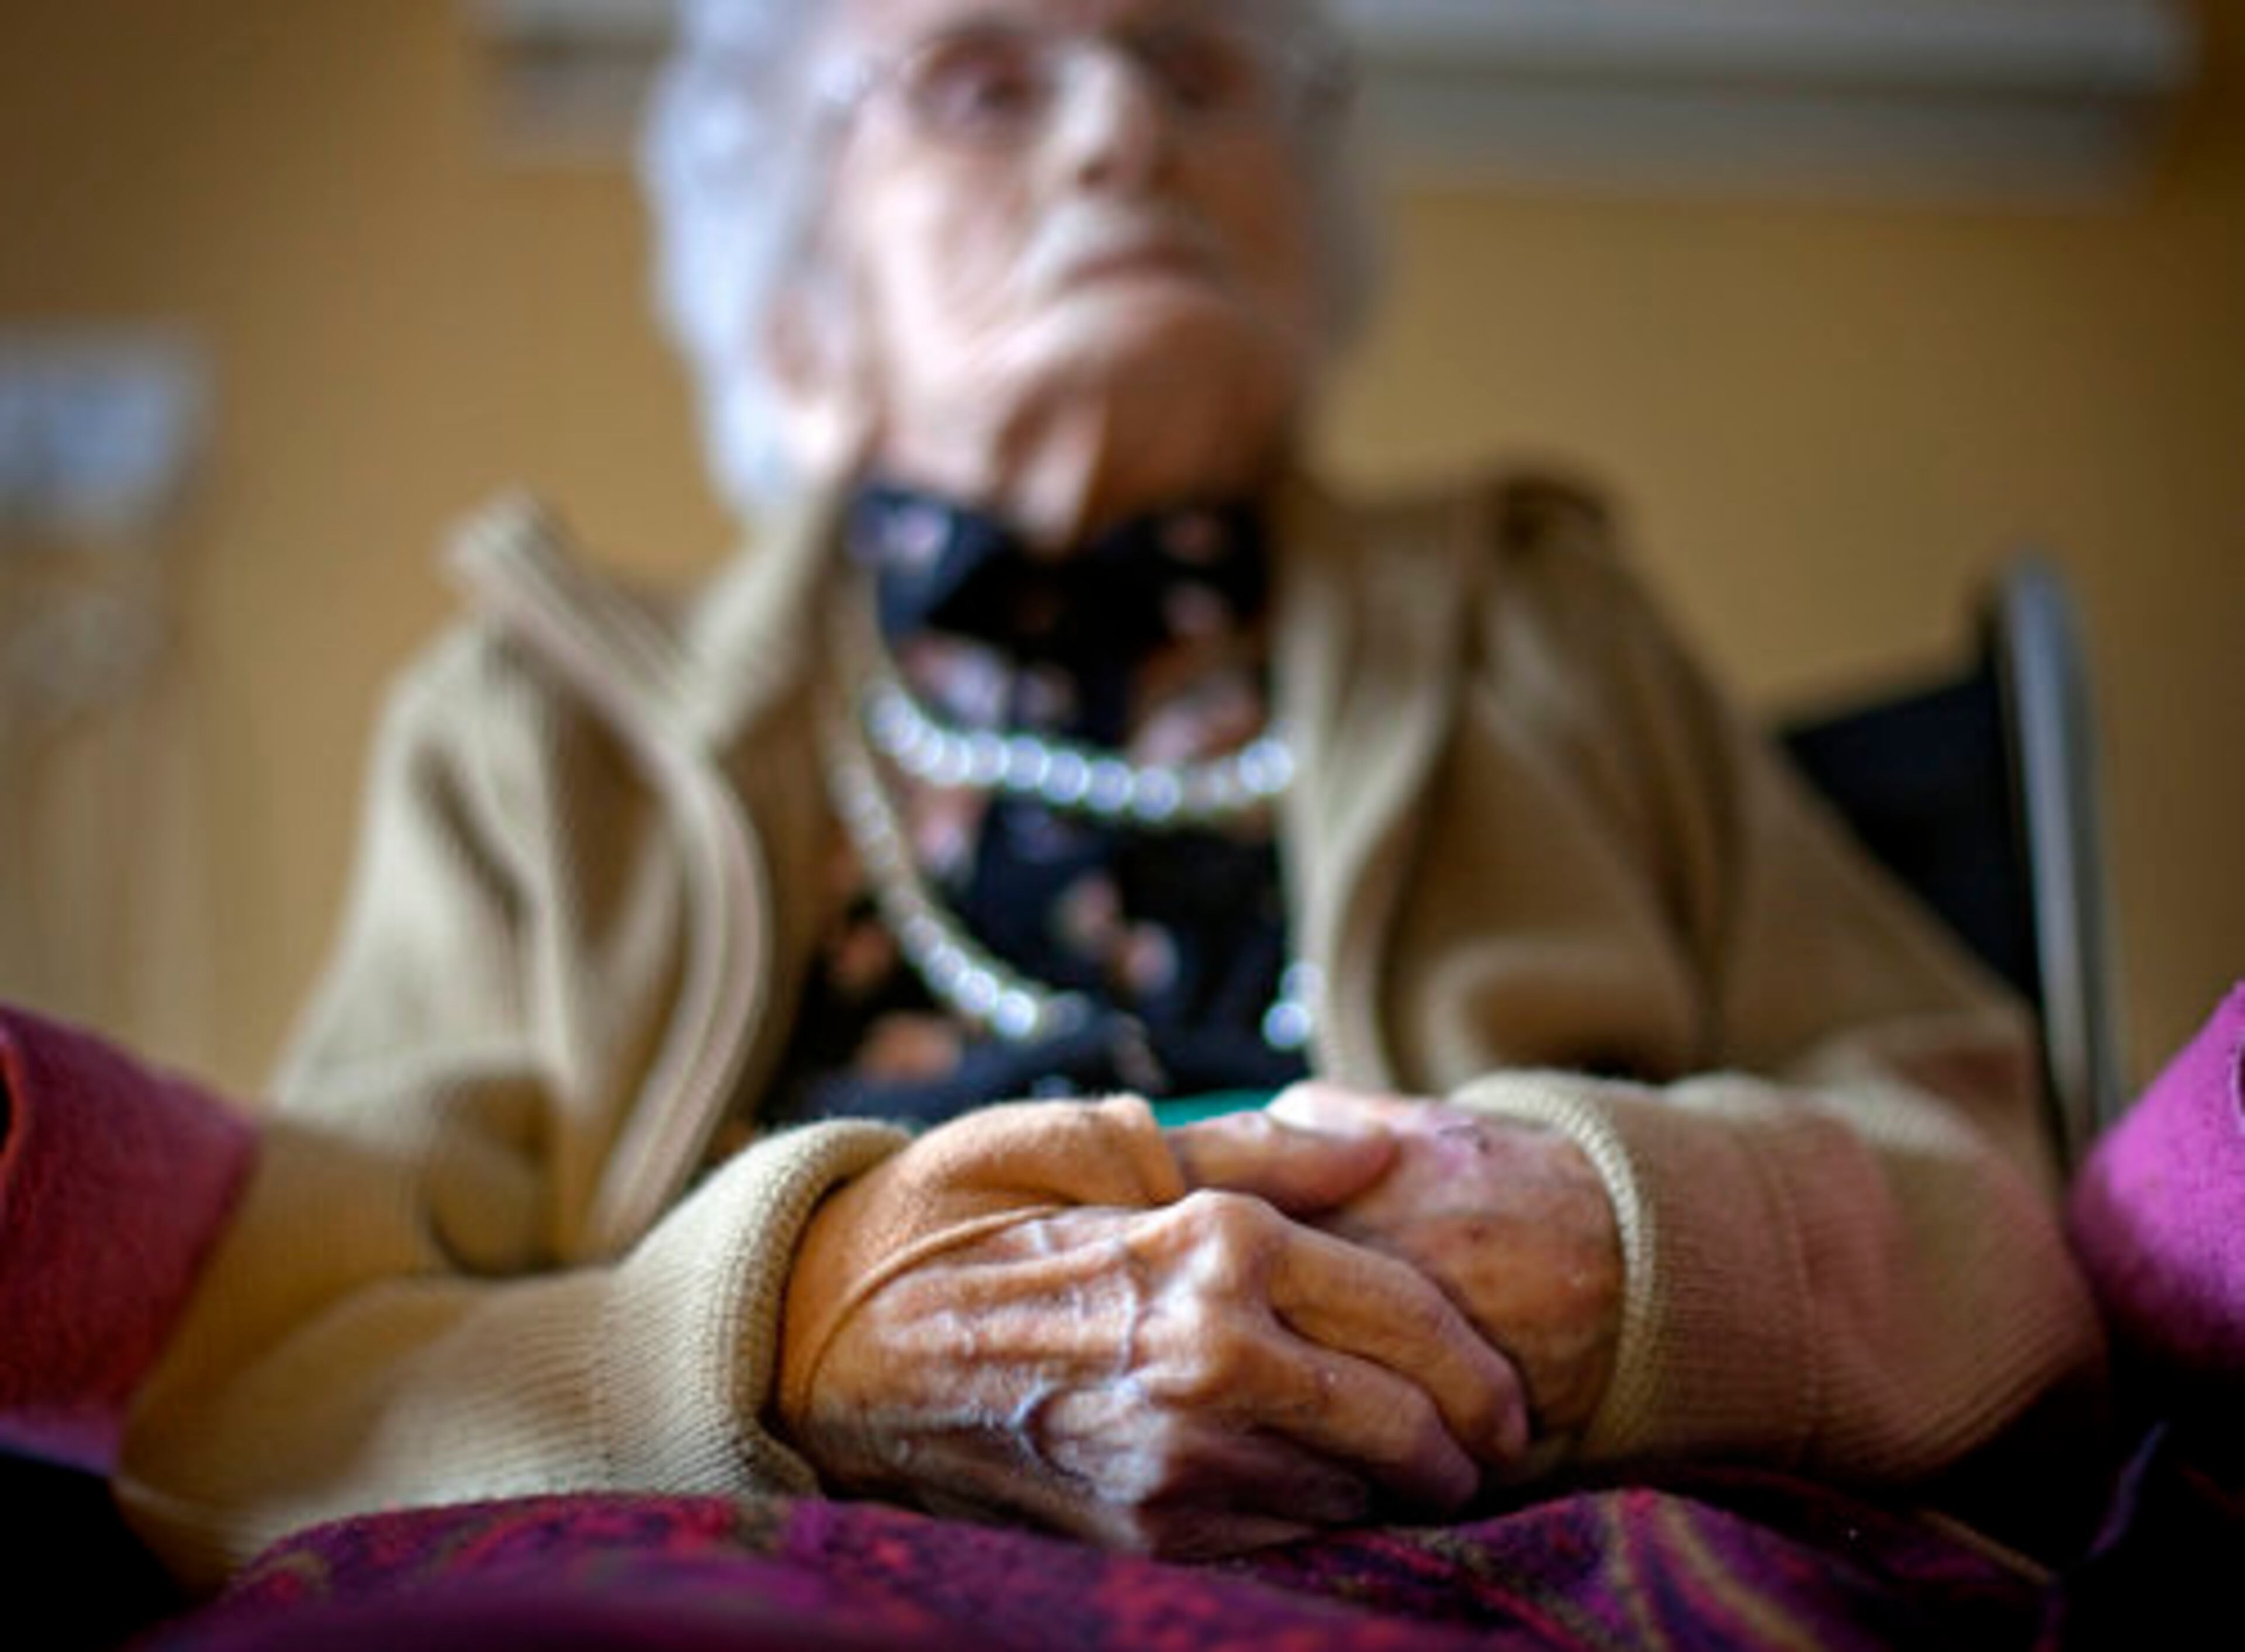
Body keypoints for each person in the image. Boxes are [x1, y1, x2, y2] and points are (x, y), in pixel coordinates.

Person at [117, 0, 2105, 1589]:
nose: (1120, 134)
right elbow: (273, 1404)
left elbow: (1995, 1199)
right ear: (800, 314)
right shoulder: (544, 739)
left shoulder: (1548, 632)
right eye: (983, 80)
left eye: (1192, 65)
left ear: (1301, 226)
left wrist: (1623, 1252)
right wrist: (782, 1339)